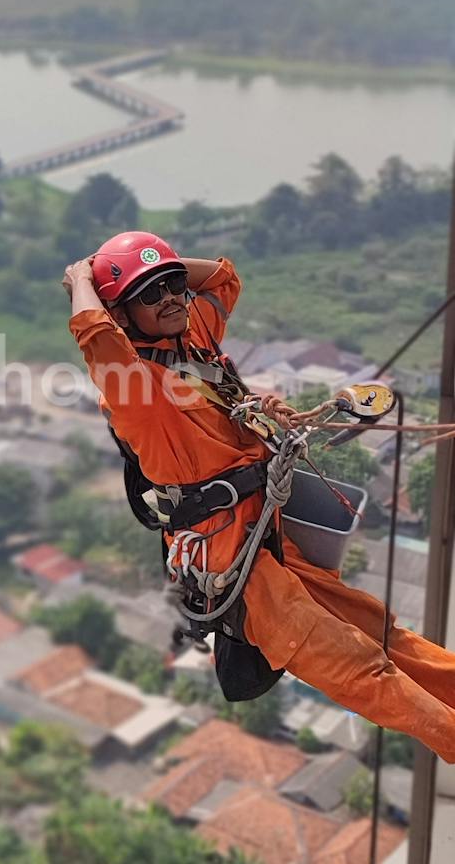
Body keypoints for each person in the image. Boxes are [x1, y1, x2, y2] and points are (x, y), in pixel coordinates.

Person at [63, 230, 455, 762]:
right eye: (150, 294)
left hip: (268, 538)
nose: (172, 297)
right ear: (122, 313)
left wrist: (153, 267)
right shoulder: (135, 390)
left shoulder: (192, 341)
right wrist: (82, 280)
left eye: (173, 283)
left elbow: (223, 279)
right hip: (236, 565)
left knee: (386, 638)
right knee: (361, 670)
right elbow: (95, 335)